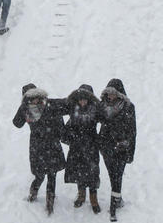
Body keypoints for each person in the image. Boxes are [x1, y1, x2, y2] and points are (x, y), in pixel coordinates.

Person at [13, 84, 68, 215]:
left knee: (50, 174)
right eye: (31, 98)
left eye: (36, 97)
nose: (35, 100)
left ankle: (48, 198)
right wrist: (23, 108)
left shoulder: (46, 105)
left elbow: (64, 108)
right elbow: (17, 123)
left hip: (47, 143)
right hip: (41, 144)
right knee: (42, 174)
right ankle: (37, 193)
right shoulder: (29, 109)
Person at [98, 79, 136, 222]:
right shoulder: (102, 105)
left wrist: (131, 151)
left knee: (117, 175)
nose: (110, 96)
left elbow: (133, 131)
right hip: (106, 146)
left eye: (113, 93)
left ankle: (114, 204)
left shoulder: (128, 107)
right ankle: (117, 200)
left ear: (120, 93)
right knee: (112, 174)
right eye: (108, 93)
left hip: (122, 146)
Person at [62, 84, 102, 214]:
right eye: (80, 99)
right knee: (79, 171)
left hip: (91, 146)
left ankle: (93, 198)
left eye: (85, 99)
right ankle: (81, 195)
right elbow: (67, 130)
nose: (83, 101)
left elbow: (107, 122)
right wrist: (71, 137)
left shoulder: (96, 111)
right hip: (77, 147)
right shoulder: (73, 111)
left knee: (93, 172)